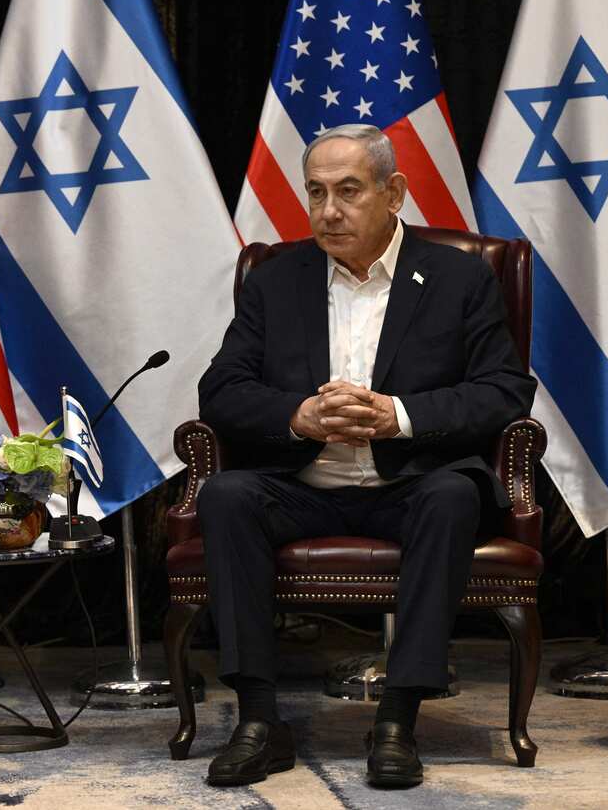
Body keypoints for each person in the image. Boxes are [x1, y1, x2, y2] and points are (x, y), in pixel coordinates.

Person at [196, 125, 536, 789]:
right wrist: (300, 415)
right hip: (304, 482)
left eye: (348, 191)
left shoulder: (459, 276)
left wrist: (396, 416)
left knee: (453, 494)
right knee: (226, 494)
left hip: (410, 483)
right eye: (316, 192)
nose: (328, 210)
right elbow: (222, 391)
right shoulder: (275, 279)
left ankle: (397, 721)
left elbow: (503, 389)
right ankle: (260, 722)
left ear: (394, 191)